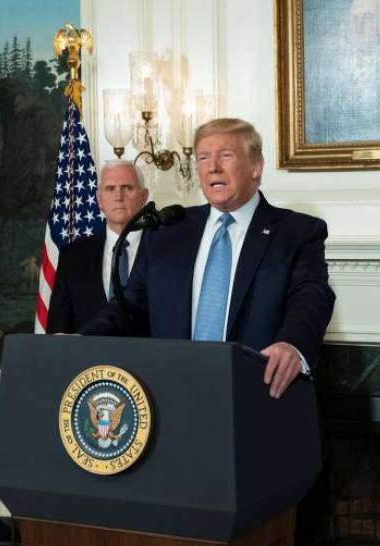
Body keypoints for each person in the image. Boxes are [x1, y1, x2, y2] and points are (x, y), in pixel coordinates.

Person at [81, 118, 336, 398]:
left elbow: (312, 296)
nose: (212, 166)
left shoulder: (296, 233)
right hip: (171, 396)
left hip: (255, 395)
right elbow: (129, 306)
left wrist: (291, 345)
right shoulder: (168, 231)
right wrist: (80, 339)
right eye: (203, 157)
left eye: (226, 156)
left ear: (256, 166)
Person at [46, 160, 149, 334]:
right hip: (89, 360)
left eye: (127, 188)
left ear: (144, 197)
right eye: (110, 189)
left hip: (150, 358)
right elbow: (58, 331)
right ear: (99, 199)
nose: (118, 196)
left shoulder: (164, 251)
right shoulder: (72, 257)